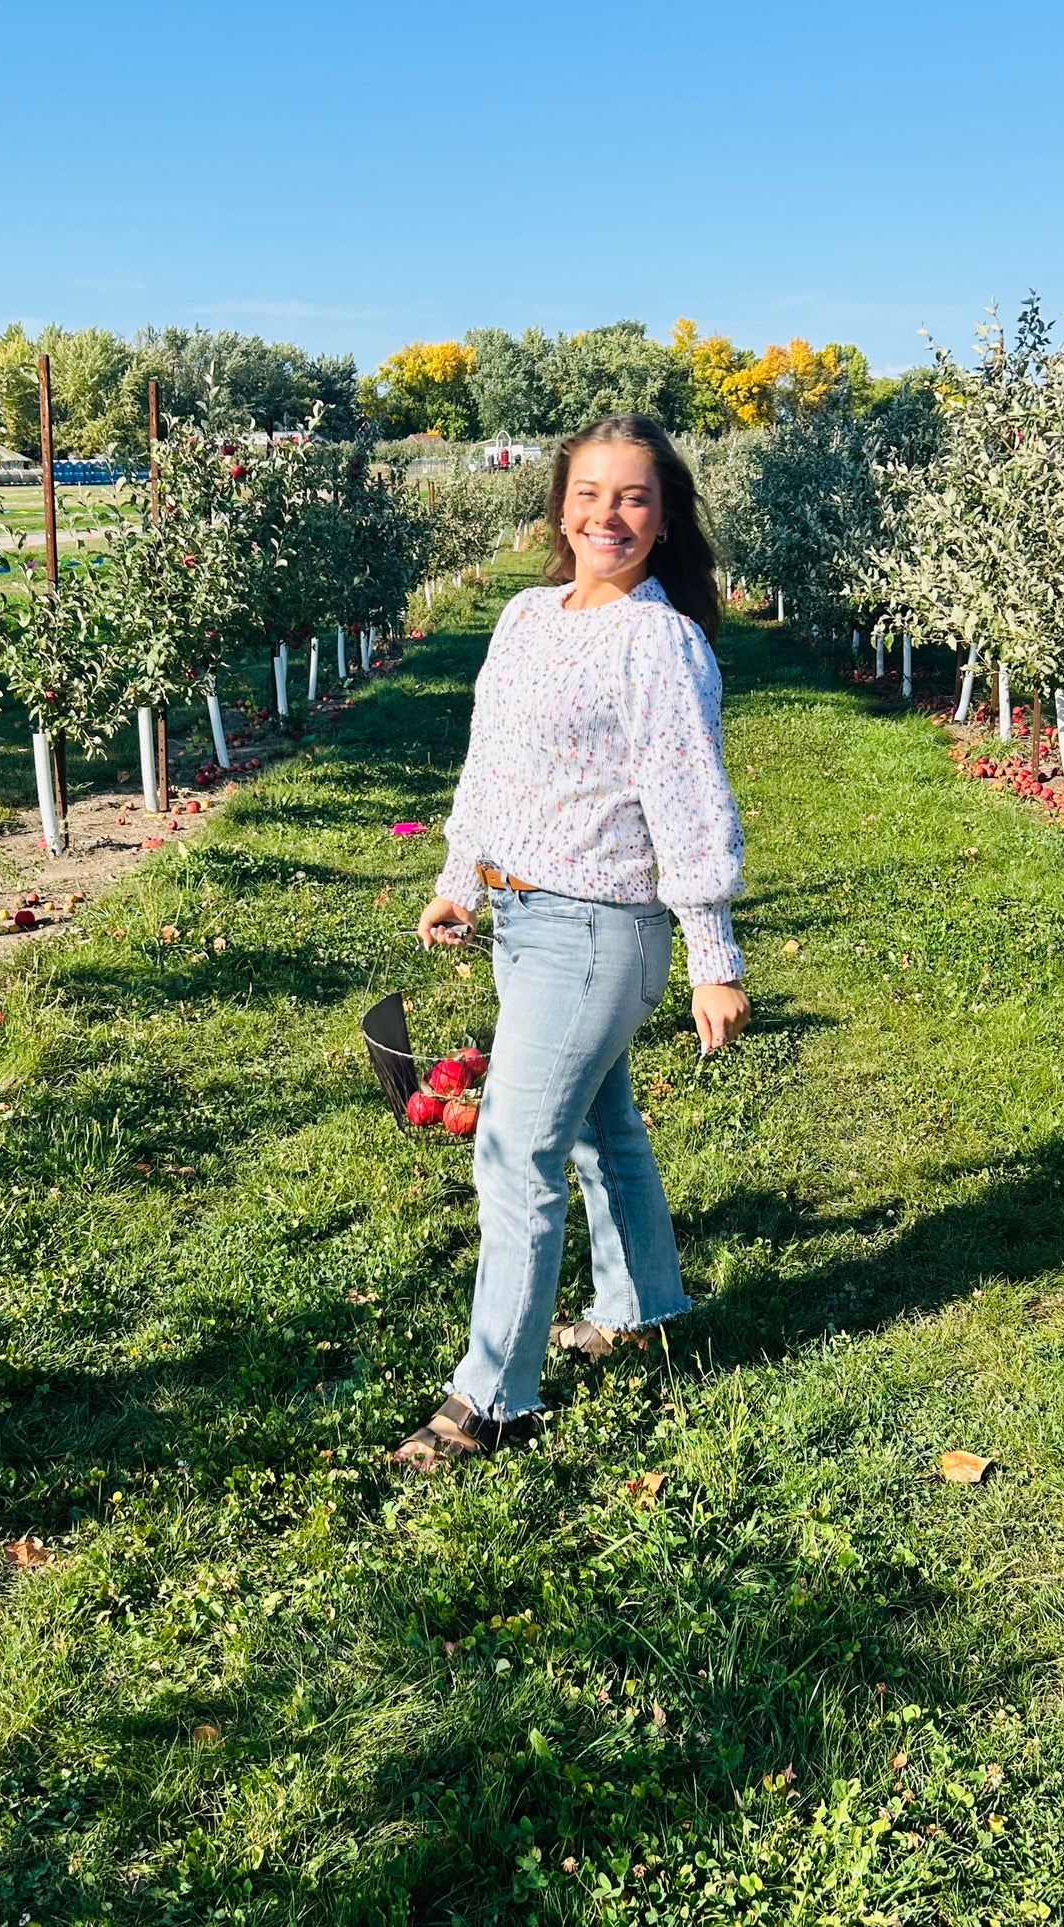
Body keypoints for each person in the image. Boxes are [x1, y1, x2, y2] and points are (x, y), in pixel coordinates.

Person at [393, 414, 750, 1468]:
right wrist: (461, 878)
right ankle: (640, 1307)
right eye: (589, 492)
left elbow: (687, 800)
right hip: (523, 916)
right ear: (558, 504)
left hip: (600, 928)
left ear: (664, 516)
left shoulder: (658, 640)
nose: (608, 514)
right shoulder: (523, 615)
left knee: (514, 1154)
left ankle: (492, 1396)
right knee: (601, 1129)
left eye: (633, 496)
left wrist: (712, 956)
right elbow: (488, 764)